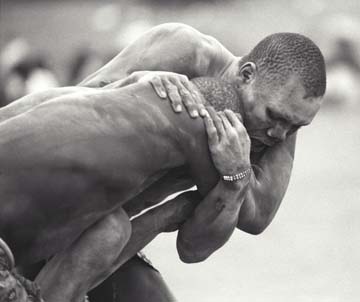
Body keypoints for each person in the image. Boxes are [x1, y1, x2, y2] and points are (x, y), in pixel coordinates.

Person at [0, 24, 326, 302]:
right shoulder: (188, 50)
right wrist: (139, 82)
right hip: (49, 202)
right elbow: (73, 102)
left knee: (113, 238)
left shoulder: (277, 121)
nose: (279, 134)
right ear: (246, 75)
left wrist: (235, 176)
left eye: (297, 126)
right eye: (276, 117)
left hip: (103, 231)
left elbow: (252, 219)